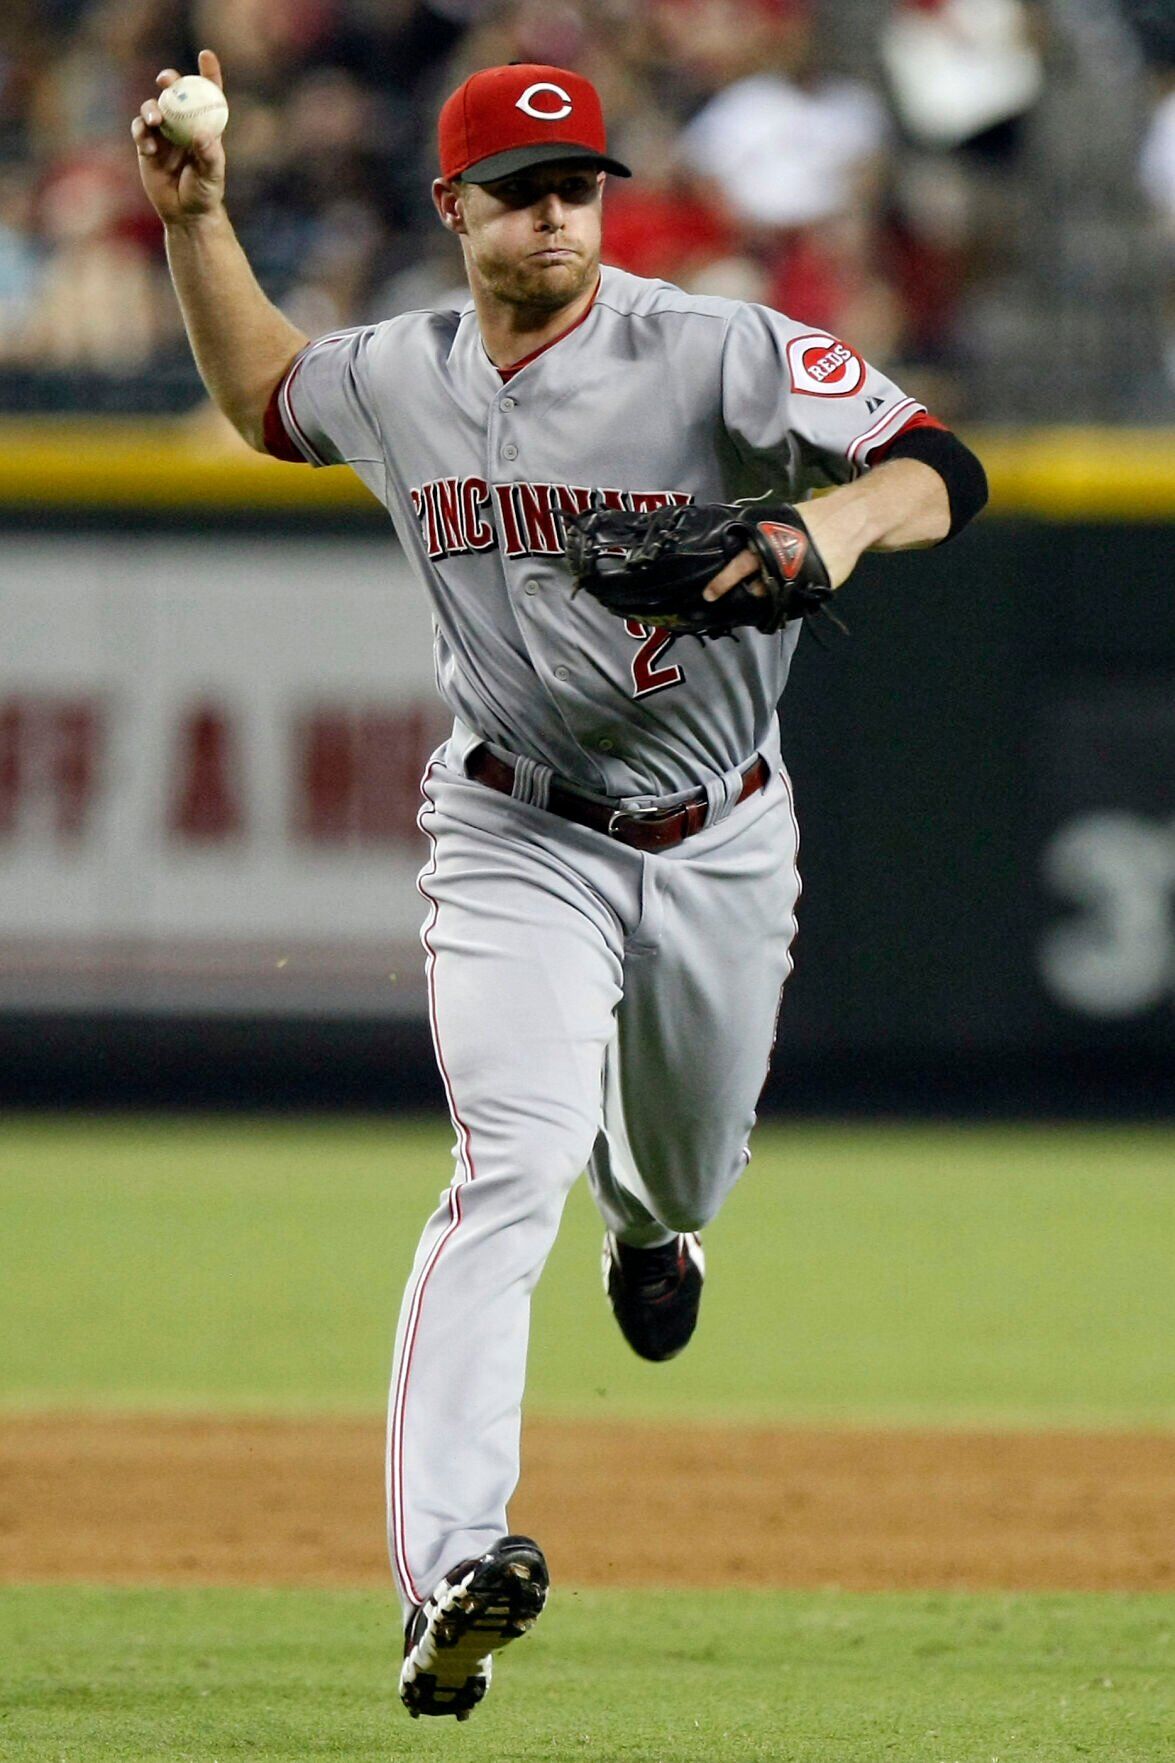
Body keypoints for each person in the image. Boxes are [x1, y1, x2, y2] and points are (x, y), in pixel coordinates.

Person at [133, 49, 987, 1724]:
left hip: (722, 832)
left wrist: (832, 533)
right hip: (516, 832)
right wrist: (198, 221)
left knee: (677, 1167)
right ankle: (450, 1569)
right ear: (450, 209)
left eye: (577, 184)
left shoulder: (714, 349)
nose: (555, 216)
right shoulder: (401, 377)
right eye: (519, 191)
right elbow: (265, 399)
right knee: (504, 1161)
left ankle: (656, 1226)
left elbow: (938, 460)